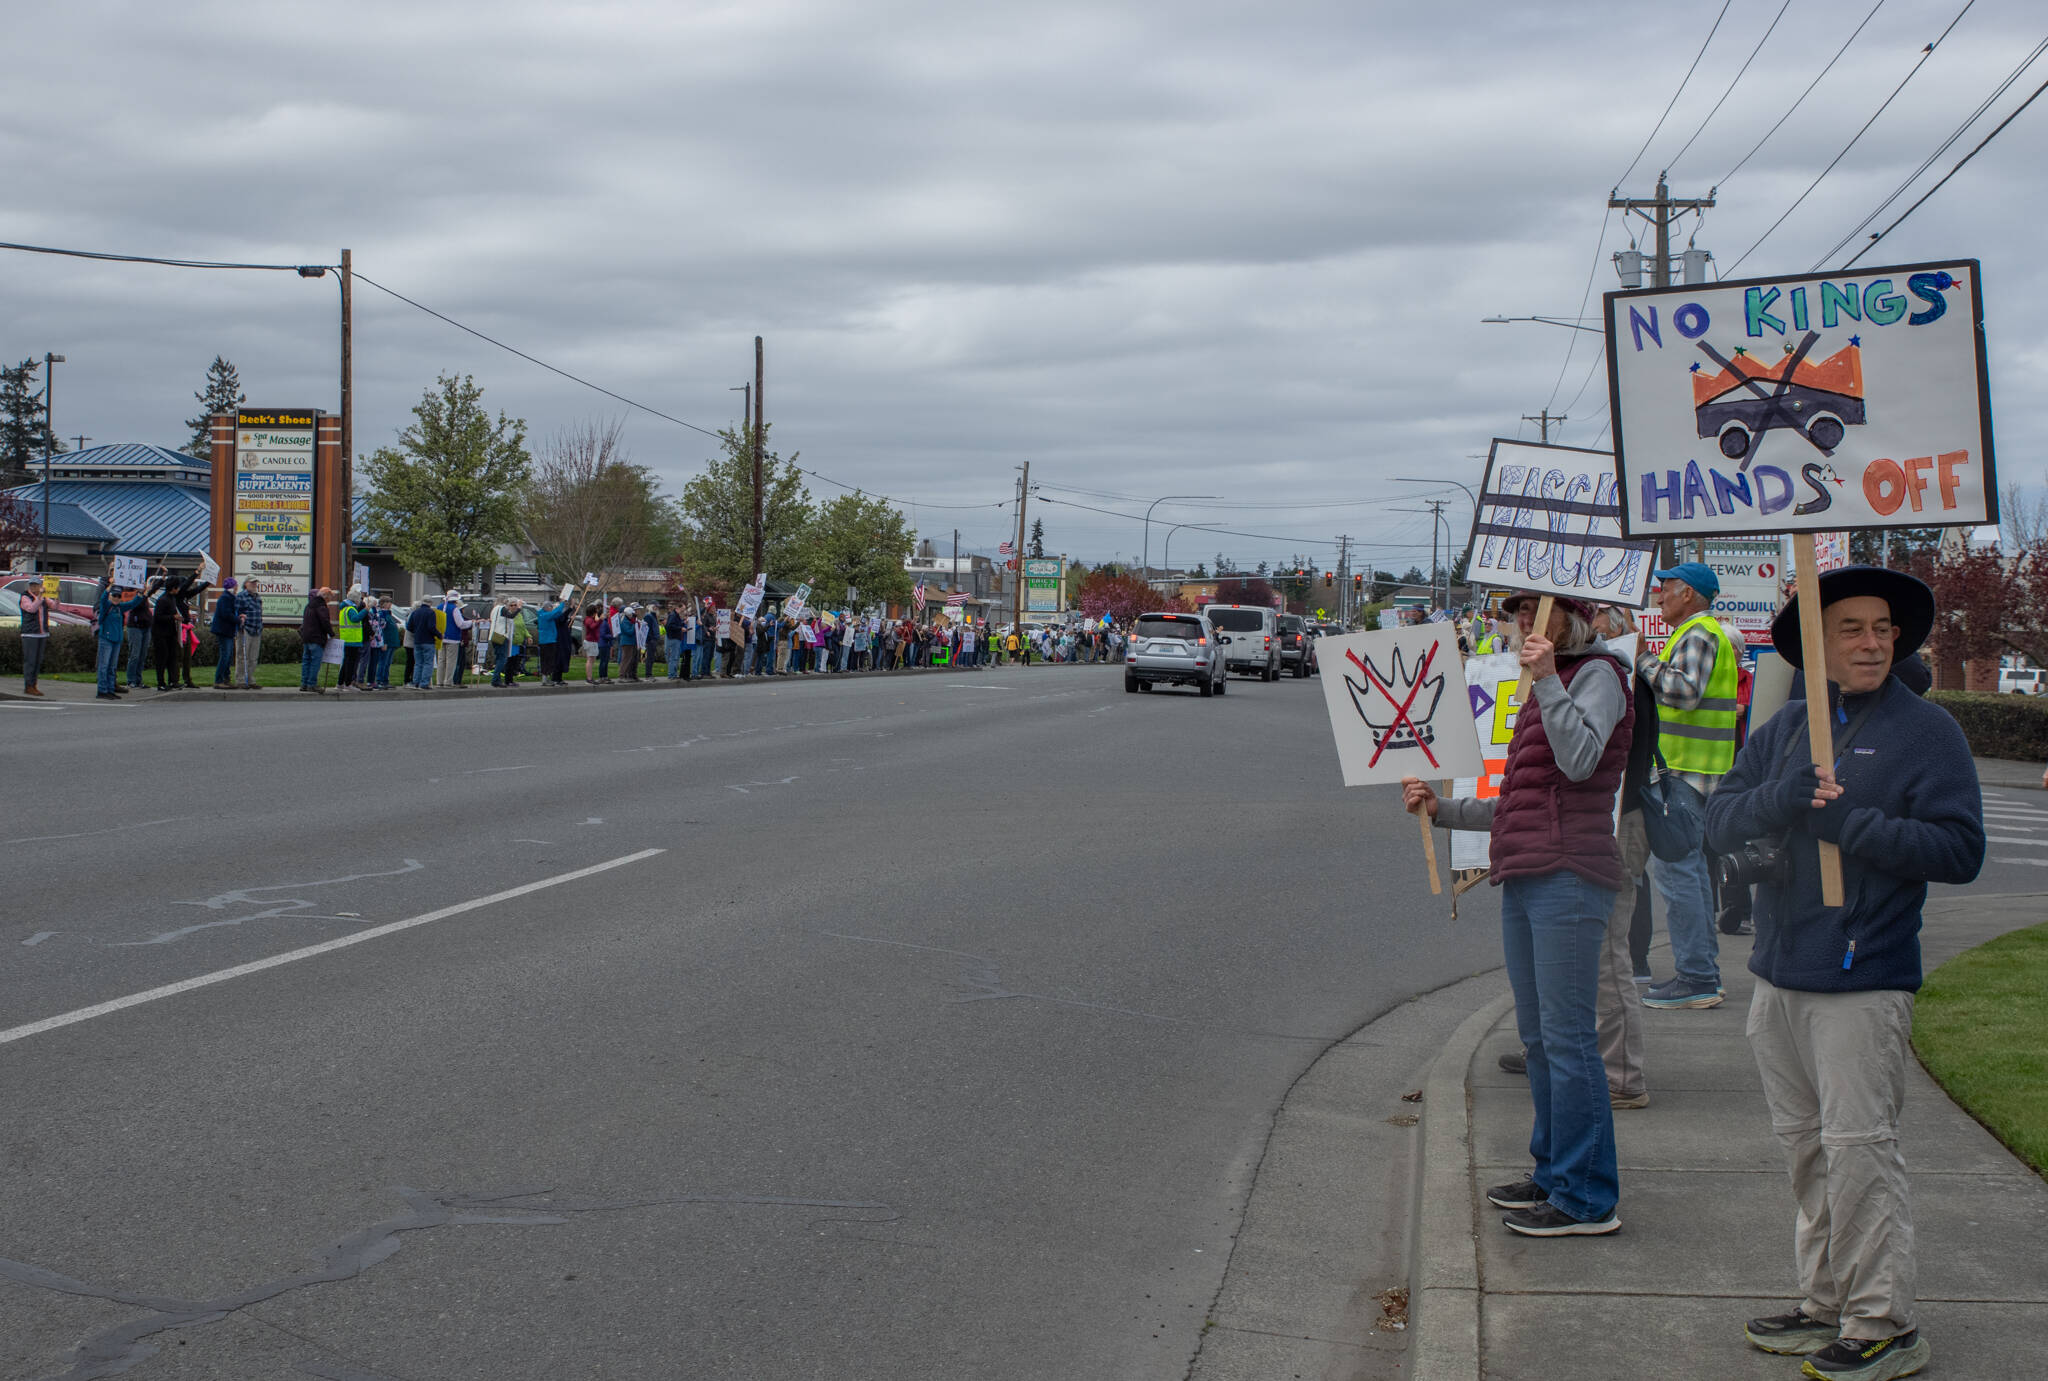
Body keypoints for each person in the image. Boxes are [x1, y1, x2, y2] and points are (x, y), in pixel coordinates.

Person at [1707, 566, 1982, 1379]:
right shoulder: (1789, 729)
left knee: (1860, 1150)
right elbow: (1718, 820)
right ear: (1818, 645)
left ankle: (1882, 1319)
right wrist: (1784, 799)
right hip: (1781, 973)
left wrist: (1850, 822)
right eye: (1853, 629)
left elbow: (1959, 850)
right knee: (1806, 1150)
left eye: (1883, 629)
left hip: (1864, 979)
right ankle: (1825, 1299)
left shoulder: (1926, 732)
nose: (1871, 642)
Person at [1404, 590, 1635, 1237]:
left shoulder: (1599, 675)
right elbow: (1518, 799)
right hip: (1529, 871)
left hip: (1570, 874)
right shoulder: (1551, 683)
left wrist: (1545, 683)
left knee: (1567, 1039)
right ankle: (1556, 1170)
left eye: (1534, 609)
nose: (1521, 622)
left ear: (1570, 614)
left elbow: (1580, 759)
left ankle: (1587, 1196)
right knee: (1539, 1039)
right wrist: (1439, 809)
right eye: (1515, 613)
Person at [1635, 562, 1738, 1011]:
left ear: (1689, 595)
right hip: (1694, 770)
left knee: (1679, 876)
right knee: (1690, 875)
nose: (1659, 599)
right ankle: (1701, 974)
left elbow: (1683, 691)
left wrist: (1640, 658)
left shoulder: (1697, 633)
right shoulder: (1703, 632)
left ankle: (1696, 977)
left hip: (1682, 772)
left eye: (1666, 590)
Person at [94, 568, 153, 699]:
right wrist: (109, 587)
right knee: (104, 666)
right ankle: (102, 690)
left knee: (112, 666)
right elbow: (103, 600)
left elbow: (133, 603)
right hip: (106, 639)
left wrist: (141, 593)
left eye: (118, 596)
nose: (116, 598)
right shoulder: (106, 607)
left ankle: (110, 689)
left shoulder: (120, 607)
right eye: (114, 595)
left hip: (116, 640)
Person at [18, 578, 52, 696]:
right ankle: (29, 686)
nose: (34, 587)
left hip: (42, 633)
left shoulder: (43, 598)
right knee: (30, 661)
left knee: (37, 661)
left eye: (36, 585)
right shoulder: (25, 597)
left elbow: (55, 606)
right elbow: (32, 609)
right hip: (30, 633)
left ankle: (34, 684)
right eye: (32, 585)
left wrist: (57, 596)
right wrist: (40, 596)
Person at [209, 578, 241, 687]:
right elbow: (226, 614)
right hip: (224, 630)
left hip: (228, 630)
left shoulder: (229, 597)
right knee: (225, 655)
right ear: (232, 586)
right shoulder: (225, 598)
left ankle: (226, 678)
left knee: (228, 655)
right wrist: (238, 620)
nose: (237, 587)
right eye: (236, 585)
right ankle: (219, 680)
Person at [236, 584, 266, 689]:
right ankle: (241, 680)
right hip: (245, 629)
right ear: (246, 584)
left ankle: (250, 678)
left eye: (255, 583)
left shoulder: (258, 597)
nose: (254, 585)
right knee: (243, 656)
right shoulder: (241, 596)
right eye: (252, 583)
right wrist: (240, 619)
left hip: (257, 629)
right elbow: (236, 611)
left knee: (253, 657)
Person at [405, 596, 439, 688]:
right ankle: (424, 683)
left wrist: (417, 631)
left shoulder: (415, 612)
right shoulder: (431, 612)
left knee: (418, 662)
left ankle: (416, 682)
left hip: (417, 641)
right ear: (430, 603)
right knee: (428, 663)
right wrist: (439, 635)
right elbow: (431, 627)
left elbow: (409, 627)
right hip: (428, 641)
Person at [337, 589, 367, 690]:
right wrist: (365, 610)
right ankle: (348, 683)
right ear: (356, 599)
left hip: (347, 638)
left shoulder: (344, 608)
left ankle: (340, 683)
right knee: (351, 663)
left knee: (346, 662)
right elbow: (355, 619)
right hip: (352, 639)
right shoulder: (350, 609)